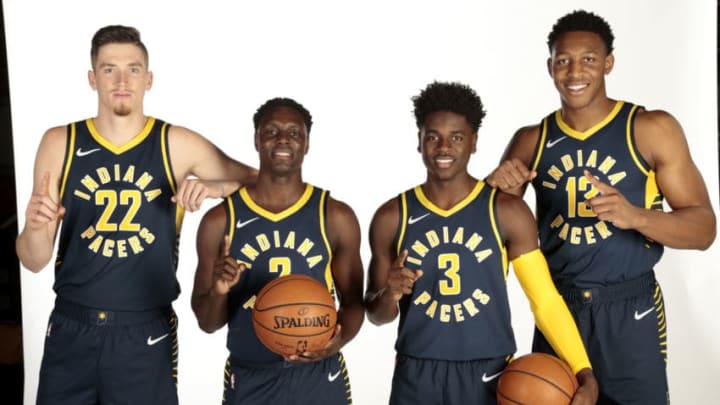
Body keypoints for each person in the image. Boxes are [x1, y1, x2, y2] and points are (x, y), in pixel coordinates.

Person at [15, 25, 257, 405]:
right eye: (109, 69)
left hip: (144, 330)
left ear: (149, 79)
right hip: (71, 327)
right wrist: (32, 228)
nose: (122, 80)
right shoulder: (59, 142)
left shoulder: (176, 144)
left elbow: (260, 183)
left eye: (133, 68)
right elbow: (33, 260)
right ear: (93, 79)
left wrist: (215, 188)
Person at [485, 10, 717, 404]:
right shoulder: (531, 140)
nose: (575, 71)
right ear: (550, 67)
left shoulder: (650, 128)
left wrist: (636, 216)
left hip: (630, 308)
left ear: (608, 62)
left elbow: (704, 229)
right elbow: (490, 239)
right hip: (561, 310)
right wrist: (493, 190)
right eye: (563, 61)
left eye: (589, 59)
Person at [364, 81, 598, 405]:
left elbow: (544, 300)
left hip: (489, 374)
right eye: (432, 136)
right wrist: (389, 293)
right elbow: (376, 314)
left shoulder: (507, 211)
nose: (443, 147)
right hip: (415, 373)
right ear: (419, 141)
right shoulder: (392, 217)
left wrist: (583, 370)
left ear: (473, 142)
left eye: (456, 137)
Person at [191, 97, 365, 405]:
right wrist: (219, 291)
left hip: (319, 376)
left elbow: (353, 304)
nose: (283, 138)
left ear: (307, 143)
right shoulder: (220, 221)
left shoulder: (335, 216)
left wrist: (334, 344)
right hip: (250, 375)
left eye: (294, 132)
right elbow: (207, 323)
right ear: (256, 140)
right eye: (271, 131)